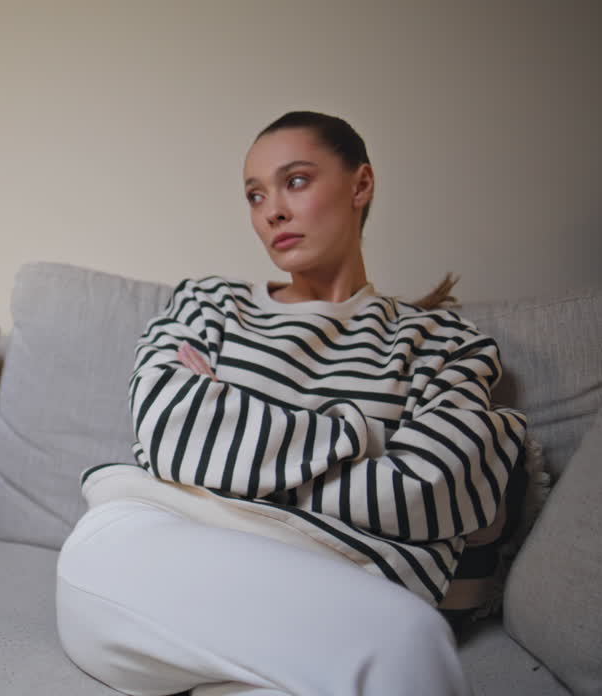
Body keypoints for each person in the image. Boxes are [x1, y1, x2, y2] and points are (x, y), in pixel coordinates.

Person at [55, 111, 528, 696]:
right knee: (402, 639)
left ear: (361, 185)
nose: (270, 210)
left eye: (295, 181)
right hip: (150, 552)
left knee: (404, 639)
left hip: (342, 592)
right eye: (255, 195)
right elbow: (170, 435)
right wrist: (362, 435)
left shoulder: (444, 345)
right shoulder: (209, 303)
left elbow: (434, 491)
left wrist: (231, 440)